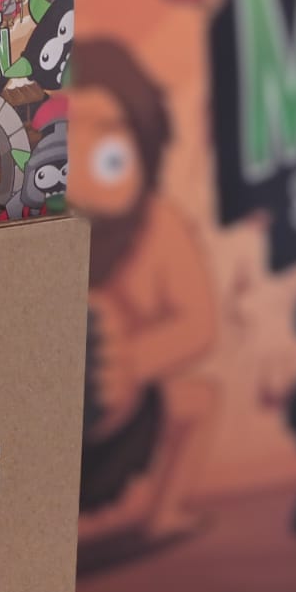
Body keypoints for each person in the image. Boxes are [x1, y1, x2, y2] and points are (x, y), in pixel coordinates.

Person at [69, 38, 219, 542]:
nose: (83, 165)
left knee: (198, 402)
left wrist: (133, 360)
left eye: (106, 145)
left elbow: (199, 324)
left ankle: (167, 511)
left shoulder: (157, 228)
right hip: (39, 422)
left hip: (128, 414)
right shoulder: (32, 228)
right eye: (65, 141)